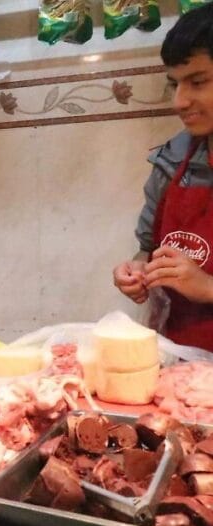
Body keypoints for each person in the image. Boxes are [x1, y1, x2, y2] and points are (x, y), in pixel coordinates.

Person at [113, 4, 213, 351]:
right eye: (174, 84)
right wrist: (138, 271)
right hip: (182, 363)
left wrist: (207, 287)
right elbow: (148, 250)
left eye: (197, 82)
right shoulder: (171, 161)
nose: (179, 101)